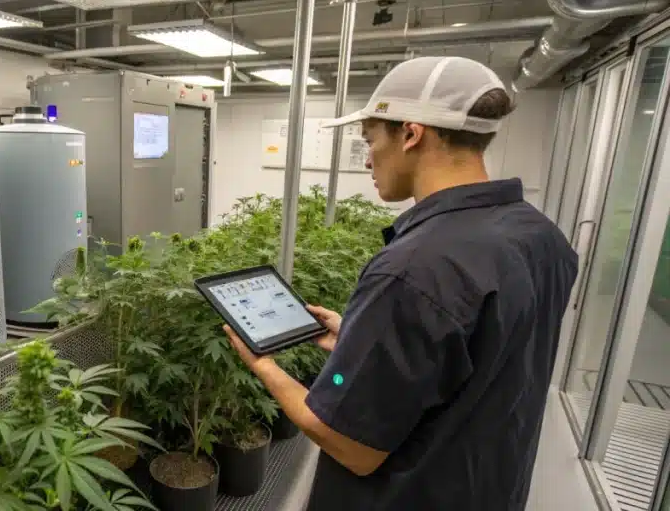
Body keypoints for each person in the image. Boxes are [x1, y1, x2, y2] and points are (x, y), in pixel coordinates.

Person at [223, 56, 579, 510]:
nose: (367, 156)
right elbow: (476, 357)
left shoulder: (415, 267)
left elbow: (349, 444)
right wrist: (359, 343)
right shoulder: (540, 235)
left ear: (412, 134)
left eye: (370, 139)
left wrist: (264, 366)